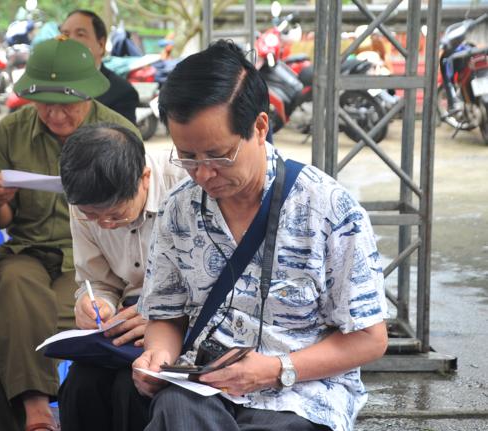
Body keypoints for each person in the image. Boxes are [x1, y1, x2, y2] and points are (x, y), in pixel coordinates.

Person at [132, 40, 389, 431]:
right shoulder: (178, 208)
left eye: (219, 155)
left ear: (260, 127)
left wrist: (276, 369)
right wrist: (158, 356)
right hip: (204, 385)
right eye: (188, 157)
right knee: (175, 410)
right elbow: (167, 315)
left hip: (301, 393)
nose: (203, 173)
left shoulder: (329, 209)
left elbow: (370, 338)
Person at [0, 36, 140, 431]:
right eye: (43, 103)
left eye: (67, 104)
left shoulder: (118, 134)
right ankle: (39, 413)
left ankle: (34, 416)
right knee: (16, 285)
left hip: (93, 265)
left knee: (17, 322)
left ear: (89, 93)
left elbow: (132, 219)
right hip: (28, 251)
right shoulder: (13, 130)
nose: (55, 114)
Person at [57, 123, 186, 431]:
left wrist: (165, 316)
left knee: (132, 389)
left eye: (116, 214)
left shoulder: (186, 184)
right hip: (127, 317)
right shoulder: (84, 203)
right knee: (81, 386)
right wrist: (96, 303)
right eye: (92, 216)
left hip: (186, 314)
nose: (104, 224)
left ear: (144, 179)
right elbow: (98, 280)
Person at [59, 9, 139, 125]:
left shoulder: (121, 92)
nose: (69, 41)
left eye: (80, 34)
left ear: (101, 45)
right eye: (65, 35)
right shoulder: (48, 83)